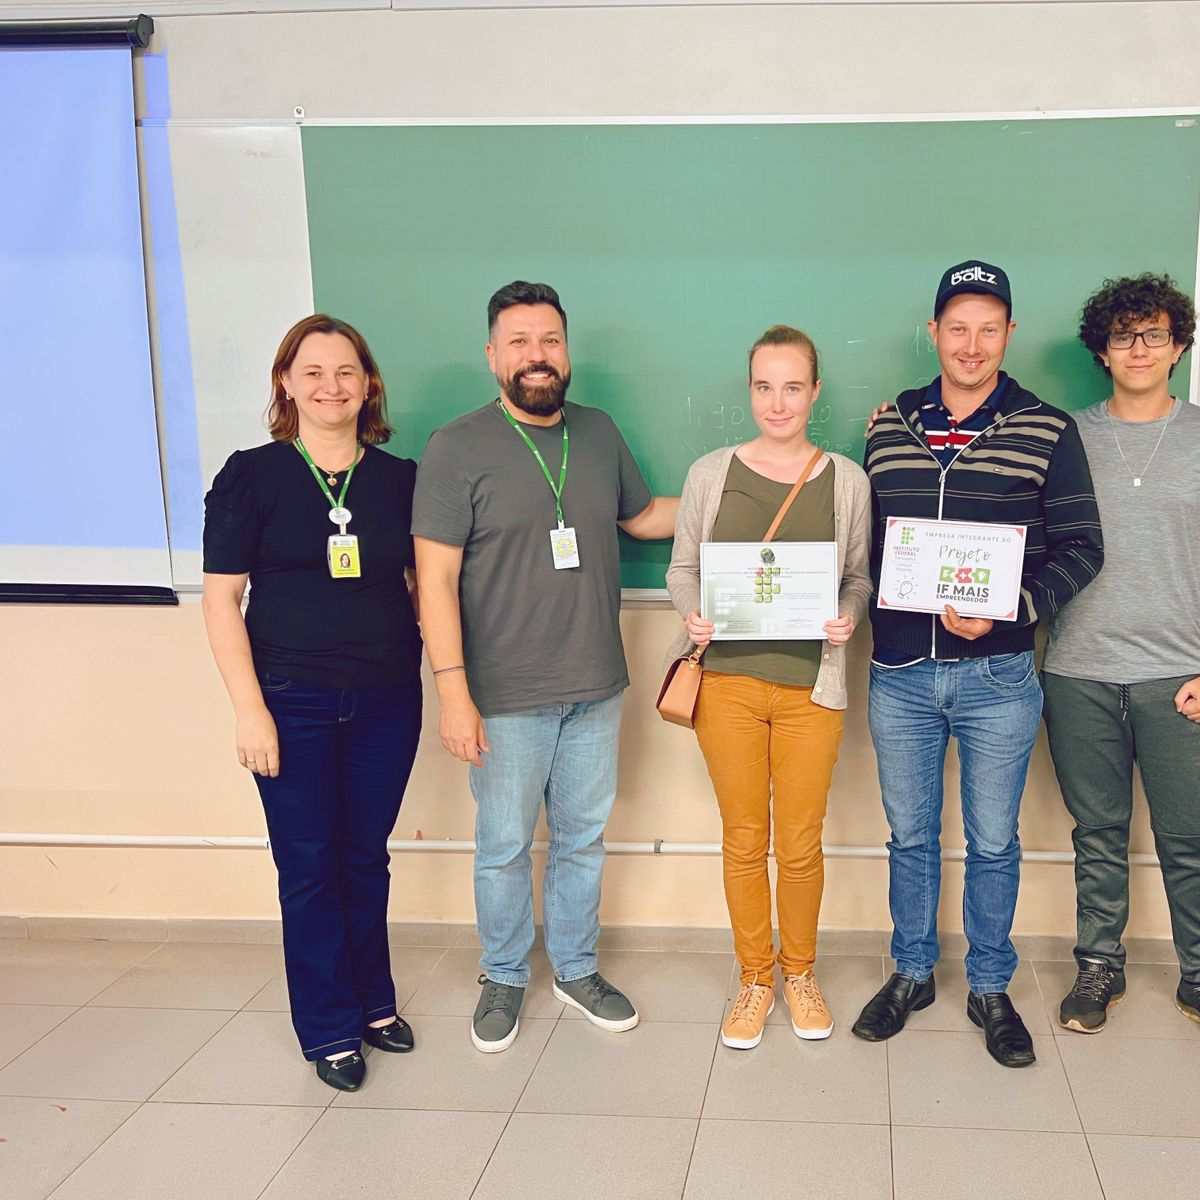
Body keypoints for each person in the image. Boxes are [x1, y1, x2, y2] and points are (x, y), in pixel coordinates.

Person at [413, 281, 678, 1053]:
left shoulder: (597, 432)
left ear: (567, 350)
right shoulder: (456, 447)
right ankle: (502, 975)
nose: (538, 355)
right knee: (502, 847)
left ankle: (575, 968)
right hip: (501, 695)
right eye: (520, 342)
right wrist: (453, 695)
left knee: (582, 840)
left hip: (595, 685)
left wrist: (737, 491)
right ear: (493, 355)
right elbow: (433, 580)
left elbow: (643, 518)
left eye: (551, 340)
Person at [852, 260, 1104, 1068]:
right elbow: (865, 540)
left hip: (998, 678)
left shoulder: (1047, 428)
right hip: (899, 670)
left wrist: (1017, 606)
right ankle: (912, 972)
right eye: (957, 327)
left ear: (1009, 334)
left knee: (994, 840)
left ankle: (990, 985)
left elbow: (1083, 547)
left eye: (988, 329)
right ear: (933, 332)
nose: (971, 344)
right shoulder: (887, 425)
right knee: (910, 836)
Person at [201, 314, 422, 1093]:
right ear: (286, 384)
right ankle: (328, 1026)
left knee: (364, 857)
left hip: (388, 700)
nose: (332, 386)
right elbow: (222, 600)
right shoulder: (250, 476)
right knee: (308, 867)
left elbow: (420, 587)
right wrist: (249, 710)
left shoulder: (400, 479)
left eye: (347, 372)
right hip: (289, 702)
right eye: (314, 372)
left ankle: (373, 1004)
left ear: (369, 386)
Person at [1043, 274, 1200, 1055]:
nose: (1139, 349)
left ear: (1178, 346)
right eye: (1123, 335)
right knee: (1097, 833)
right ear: (1102, 351)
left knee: (1189, 840)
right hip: (1079, 668)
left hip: (1179, 674)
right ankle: (1099, 965)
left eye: (1155, 335)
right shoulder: (1064, 436)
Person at [665, 325, 872, 1050]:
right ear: (749, 391)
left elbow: (857, 578)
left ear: (815, 392)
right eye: (763, 387)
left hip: (812, 690)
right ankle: (755, 978)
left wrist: (848, 616)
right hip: (726, 686)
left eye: (791, 387)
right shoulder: (710, 474)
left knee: (802, 843)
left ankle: (800, 973)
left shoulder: (847, 480)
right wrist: (691, 611)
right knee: (745, 839)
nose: (777, 403)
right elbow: (682, 568)